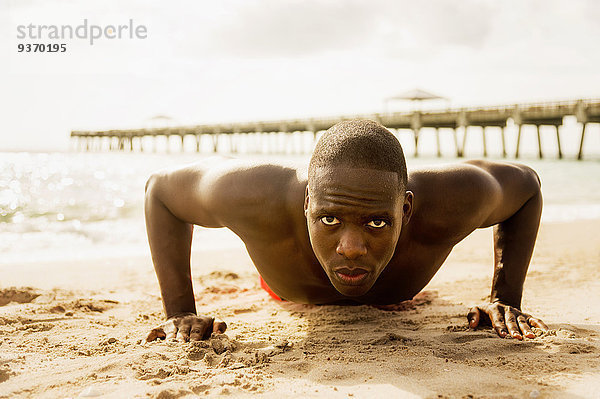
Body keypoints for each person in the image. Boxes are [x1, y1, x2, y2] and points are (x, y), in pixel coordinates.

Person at [144, 119, 548, 343]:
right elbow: (160, 190)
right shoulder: (252, 196)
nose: (352, 248)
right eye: (329, 220)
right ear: (306, 204)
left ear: (406, 210)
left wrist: (505, 297)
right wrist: (180, 310)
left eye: (376, 222)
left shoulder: (451, 202)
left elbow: (527, 186)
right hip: (284, 287)